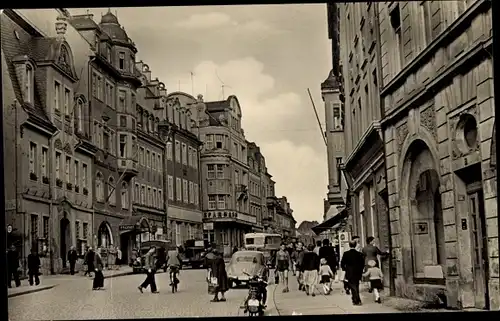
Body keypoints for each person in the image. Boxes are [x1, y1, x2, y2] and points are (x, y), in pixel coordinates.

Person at [341, 241, 365, 306]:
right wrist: (361, 270)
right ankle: (357, 299)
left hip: (349, 272)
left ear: (349, 245)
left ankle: (356, 299)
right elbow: (362, 264)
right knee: (356, 285)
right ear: (356, 245)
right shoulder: (359, 254)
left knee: (352, 286)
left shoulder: (346, 254)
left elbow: (342, 263)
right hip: (357, 272)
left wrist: (345, 269)